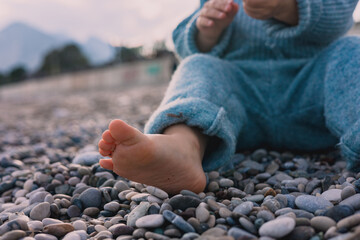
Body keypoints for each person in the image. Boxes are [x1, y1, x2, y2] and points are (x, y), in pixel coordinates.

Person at [98, 0, 360, 194]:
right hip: (238, 103)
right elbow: (185, 45)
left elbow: (339, 12)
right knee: (199, 65)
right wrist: (208, 30)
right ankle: (182, 147)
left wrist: (286, 7)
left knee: (351, 50)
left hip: (313, 92)